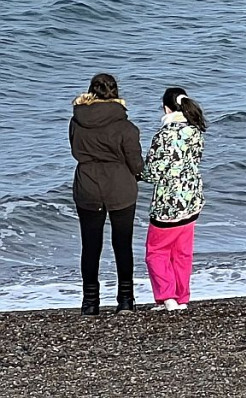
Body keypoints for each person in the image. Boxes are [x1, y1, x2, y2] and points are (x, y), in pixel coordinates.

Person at [69, 73, 144, 314]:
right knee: (122, 245)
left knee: (90, 246)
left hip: (87, 186)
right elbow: (136, 165)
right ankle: (125, 300)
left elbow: (75, 150)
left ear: (91, 91)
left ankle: (90, 303)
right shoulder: (126, 126)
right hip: (120, 187)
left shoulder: (76, 121)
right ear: (116, 93)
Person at [140, 86, 208, 311]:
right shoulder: (195, 130)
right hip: (191, 199)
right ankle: (182, 297)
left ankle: (166, 297)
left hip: (168, 203)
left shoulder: (164, 134)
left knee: (156, 252)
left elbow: (153, 172)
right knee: (181, 252)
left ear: (166, 108)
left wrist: (136, 173)